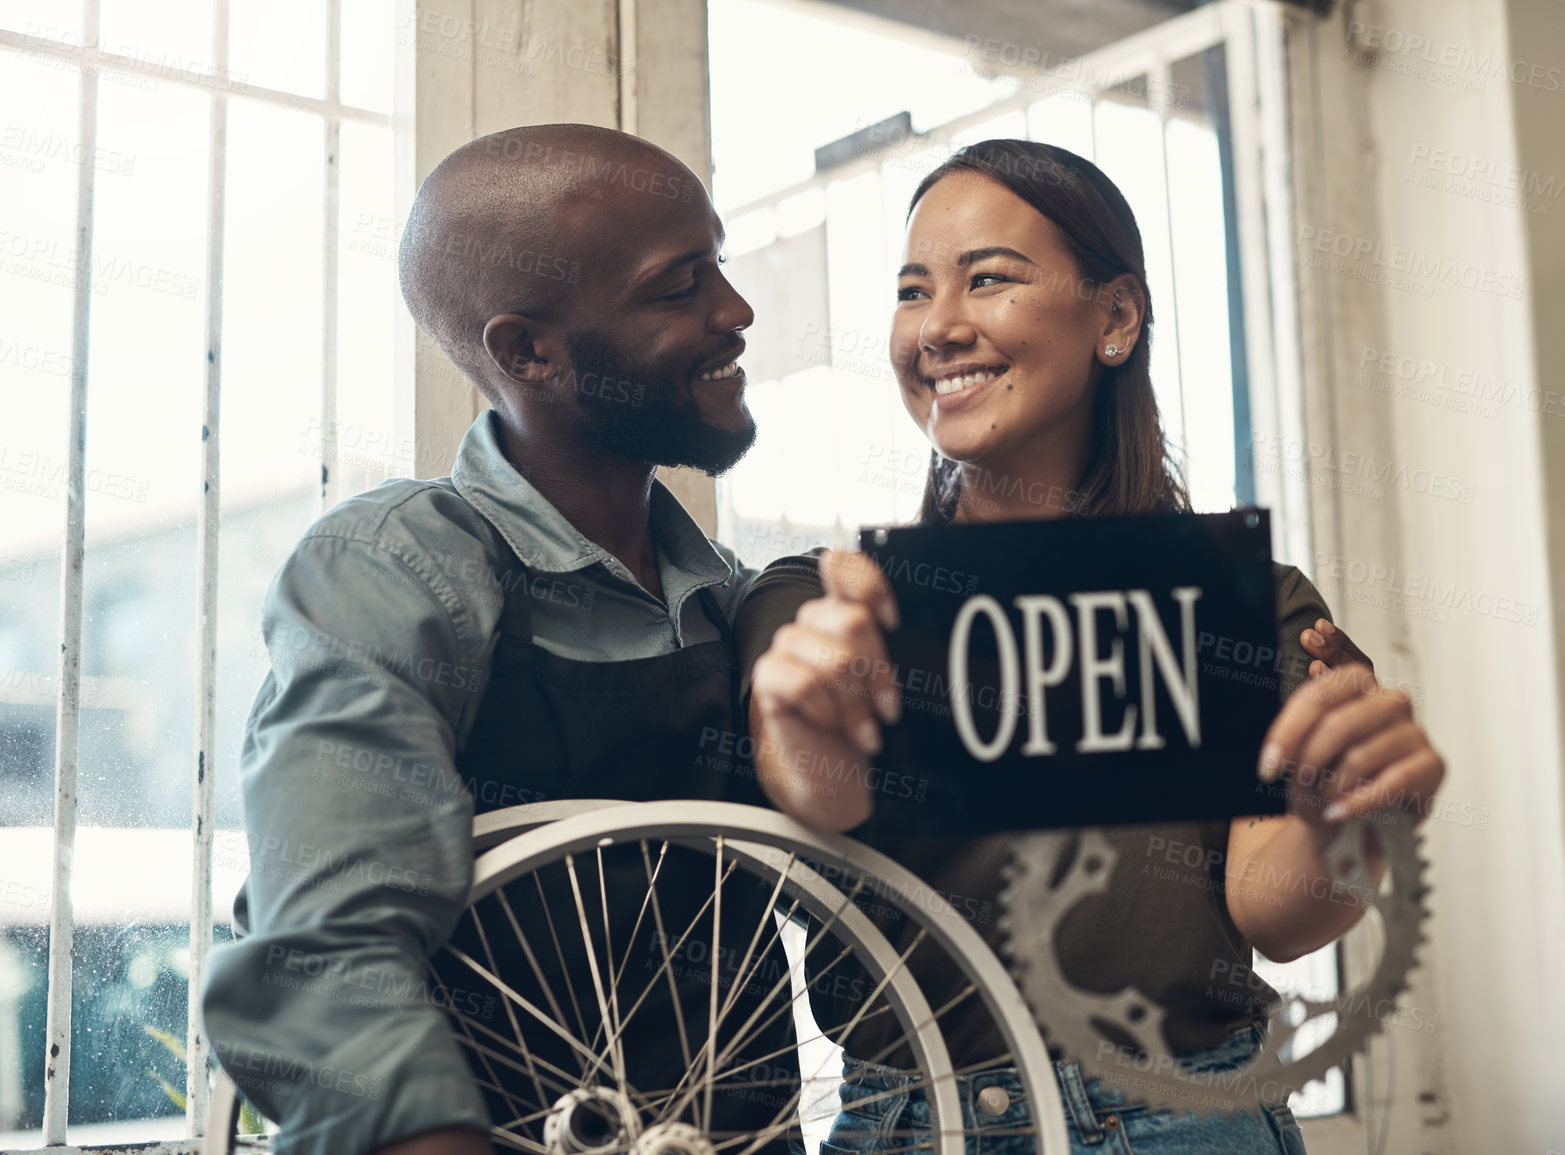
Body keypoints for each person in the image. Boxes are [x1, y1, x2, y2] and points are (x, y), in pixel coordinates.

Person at [734, 140, 1446, 1154]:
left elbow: (1273, 915)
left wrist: (1351, 816)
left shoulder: (1245, 605)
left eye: (987, 279)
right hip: (912, 1127)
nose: (937, 327)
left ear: (1115, 318)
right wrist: (805, 712)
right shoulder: (813, 601)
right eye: (911, 290)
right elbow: (823, 791)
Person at [202, 124, 793, 1155]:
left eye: (722, 268)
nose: (736, 313)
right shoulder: (393, 568)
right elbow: (324, 953)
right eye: (678, 287)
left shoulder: (724, 600)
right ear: (528, 351)